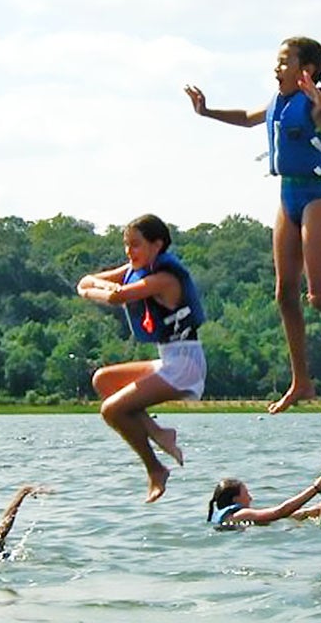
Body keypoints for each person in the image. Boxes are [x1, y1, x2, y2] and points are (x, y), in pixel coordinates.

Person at [184, 36, 321, 414]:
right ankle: (301, 381)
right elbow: (247, 117)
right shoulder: (279, 101)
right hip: (286, 196)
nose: (276, 68)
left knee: (319, 294)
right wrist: (206, 111)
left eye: (284, 61)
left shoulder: (318, 101)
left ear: (307, 70)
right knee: (284, 293)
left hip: (315, 197)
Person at [77, 214, 207, 503]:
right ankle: (159, 432)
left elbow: (117, 297)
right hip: (169, 359)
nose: (128, 251)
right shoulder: (136, 269)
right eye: (126, 244)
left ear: (156, 245)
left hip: (186, 365)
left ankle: (155, 469)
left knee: (111, 411)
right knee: (103, 380)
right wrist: (92, 286)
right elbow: (87, 280)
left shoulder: (163, 278)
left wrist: (92, 291)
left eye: (135, 245)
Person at [207, 472, 321, 529]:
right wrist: (315, 488)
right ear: (235, 499)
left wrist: (307, 512)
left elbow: (272, 517)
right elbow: (280, 512)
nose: (250, 498)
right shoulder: (241, 514)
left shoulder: (231, 517)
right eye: (246, 494)